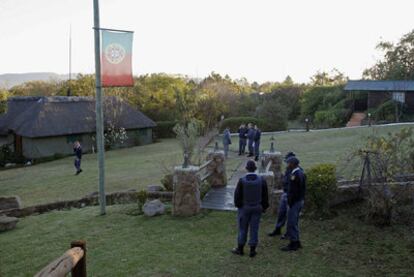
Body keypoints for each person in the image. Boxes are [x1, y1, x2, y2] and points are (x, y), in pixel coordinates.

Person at [232, 160, 269, 258]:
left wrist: (239, 206)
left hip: (245, 207)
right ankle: (252, 250)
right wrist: (264, 207)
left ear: (246, 168)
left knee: (242, 228)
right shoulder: (261, 180)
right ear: (255, 169)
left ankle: (240, 249)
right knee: (254, 228)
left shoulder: (242, 180)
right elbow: (265, 195)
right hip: (257, 207)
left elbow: (237, 195)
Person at [268, 151, 296, 238]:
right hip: (285, 194)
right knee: (281, 213)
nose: (286, 163)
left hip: (291, 196)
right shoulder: (288, 170)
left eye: (287, 161)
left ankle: (289, 233)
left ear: (291, 162)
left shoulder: (296, 171)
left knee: (291, 217)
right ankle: (278, 229)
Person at [281, 156, 306, 251]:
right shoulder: (299, 172)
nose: (287, 165)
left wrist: (290, 202)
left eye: (288, 163)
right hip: (298, 201)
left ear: (293, 164)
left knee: (292, 222)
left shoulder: (296, 174)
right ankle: (297, 241)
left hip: (295, 202)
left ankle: (293, 243)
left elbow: (295, 191)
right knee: (294, 222)